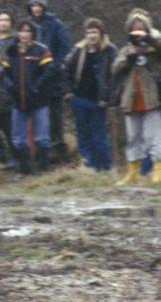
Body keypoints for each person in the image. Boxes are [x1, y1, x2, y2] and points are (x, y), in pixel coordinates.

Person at [112, 9, 161, 185]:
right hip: (131, 98)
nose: (137, 32)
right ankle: (133, 171)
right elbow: (115, 69)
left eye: (141, 28)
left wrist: (153, 41)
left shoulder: (154, 48)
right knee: (132, 136)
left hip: (152, 98)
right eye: (134, 29)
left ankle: (158, 168)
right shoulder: (126, 50)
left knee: (152, 135)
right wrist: (129, 58)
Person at [1, 21, 55, 174]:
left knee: (41, 139)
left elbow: (49, 72)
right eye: (22, 31)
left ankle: (43, 170)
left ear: (33, 33)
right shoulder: (10, 51)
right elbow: (4, 72)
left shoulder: (41, 50)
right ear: (17, 33)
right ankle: (25, 171)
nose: (24, 34)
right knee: (18, 140)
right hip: (18, 102)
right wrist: (10, 86)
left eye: (28, 31)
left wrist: (37, 87)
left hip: (39, 101)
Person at [65, 18, 116, 173]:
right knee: (83, 135)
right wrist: (68, 93)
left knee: (99, 136)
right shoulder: (78, 50)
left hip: (99, 100)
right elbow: (66, 70)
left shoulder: (109, 51)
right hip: (80, 98)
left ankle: (106, 167)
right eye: (88, 32)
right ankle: (89, 165)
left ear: (101, 33)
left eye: (94, 32)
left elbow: (114, 77)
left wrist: (107, 97)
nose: (91, 36)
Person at [28, 0, 70, 163]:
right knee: (36, 118)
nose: (36, 8)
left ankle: (59, 152)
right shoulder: (28, 26)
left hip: (52, 78)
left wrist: (54, 66)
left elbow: (64, 48)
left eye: (39, 5)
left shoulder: (55, 25)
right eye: (33, 5)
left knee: (54, 117)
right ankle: (39, 154)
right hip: (33, 76)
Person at [0, 12, 17, 168]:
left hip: (7, 88)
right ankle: (3, 157)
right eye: (0, 20)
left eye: (6, 20)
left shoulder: (14, 40)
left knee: (9, 127)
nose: (3, 23)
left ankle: (16, 158)